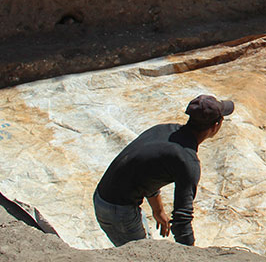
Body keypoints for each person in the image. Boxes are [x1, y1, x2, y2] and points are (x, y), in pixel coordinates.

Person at [93, 94, 234, 247]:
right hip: (117, 210)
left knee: (145, 246)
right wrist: (192, 256)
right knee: (143, 258)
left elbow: (146, 173)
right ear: (216, 126)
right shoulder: (187, 161)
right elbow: (182, 220)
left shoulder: (164, 130)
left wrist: (158, 210)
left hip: (105, 196)